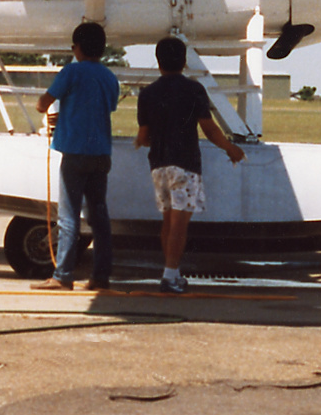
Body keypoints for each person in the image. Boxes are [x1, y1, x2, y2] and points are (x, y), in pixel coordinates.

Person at [134, 36, 245, 293]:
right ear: (184, 62)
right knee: (180, 224)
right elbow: (210, 130)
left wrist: (141, 142)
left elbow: (143, 136)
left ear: (158, 61)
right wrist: (231, 149)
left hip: (159, 165)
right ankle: (170, 276)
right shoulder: (194, 90)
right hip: (185, 164)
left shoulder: (147, 93)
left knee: (167, 221)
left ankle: (171, 271)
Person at [31, 21, 120, 291]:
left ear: (77, 48)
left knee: (68, 217)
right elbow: (110, 106)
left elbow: (43, 103)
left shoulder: (71, 71)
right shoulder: (109, 77)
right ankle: (100, 277)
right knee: (99, 216)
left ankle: (63, 275)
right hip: (101, 153)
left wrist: (46, 105)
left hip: (75, 152)